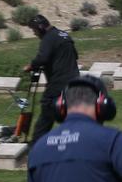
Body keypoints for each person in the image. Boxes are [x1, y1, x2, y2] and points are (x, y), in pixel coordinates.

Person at [24, 14, 80, 142]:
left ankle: (36, 146)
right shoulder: (63, 35)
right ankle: (78, 142)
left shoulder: (48, 38)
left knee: (46, 117)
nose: (35, 34)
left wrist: (31, 66)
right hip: (75, 82)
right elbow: (74, 56)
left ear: (41, 27)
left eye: (35, 31)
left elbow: (43, 58)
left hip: (58, 84)